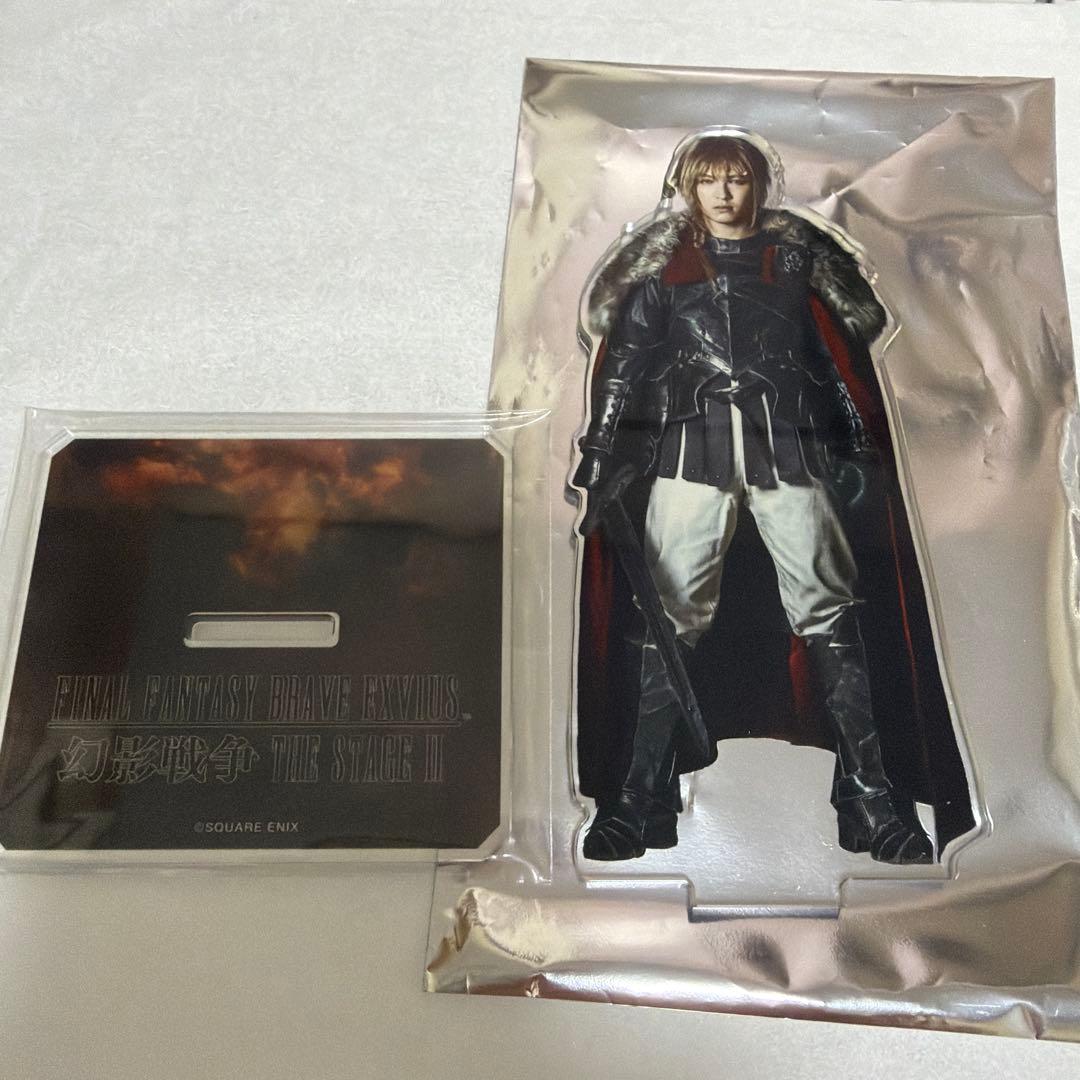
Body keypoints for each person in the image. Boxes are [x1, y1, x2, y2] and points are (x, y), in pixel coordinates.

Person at [572, 130, 972, 865]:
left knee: (831, 613)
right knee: (667, 616)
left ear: (758, 184)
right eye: (710, 180)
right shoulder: (663, 270)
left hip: (790, 452)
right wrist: (599, 458)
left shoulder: (794, 263)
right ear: (689, 187)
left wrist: (853, 446)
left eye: (737, 178)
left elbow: (831, 360)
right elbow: (623, 368)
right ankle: (640, 797)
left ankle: (869, 796)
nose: (724, 194)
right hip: (688, 455)